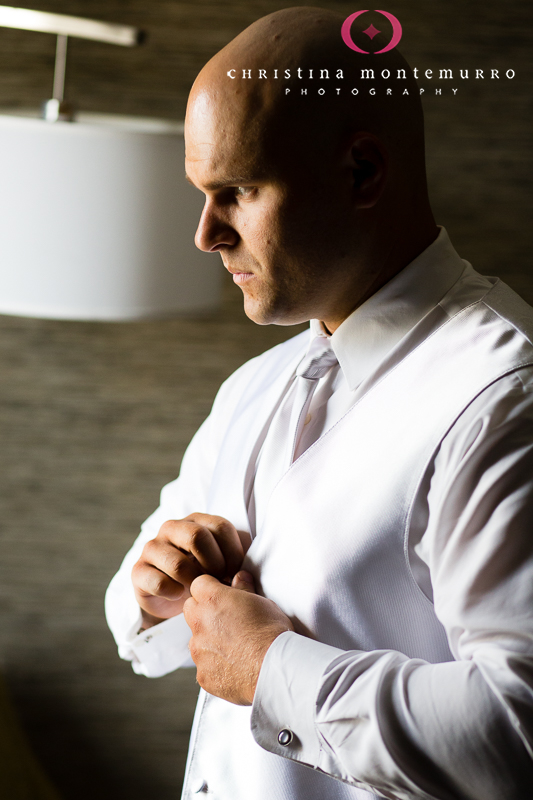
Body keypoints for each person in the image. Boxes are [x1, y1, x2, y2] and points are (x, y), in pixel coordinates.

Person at [105, 7, 533, 799]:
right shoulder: (254, 387)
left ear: (362, 172)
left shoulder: (504, 400)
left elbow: (519, 730)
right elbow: (138, 617)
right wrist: (155, 584)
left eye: (236, 191)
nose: (205, 234)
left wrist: (272, 669)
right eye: (202, 193)